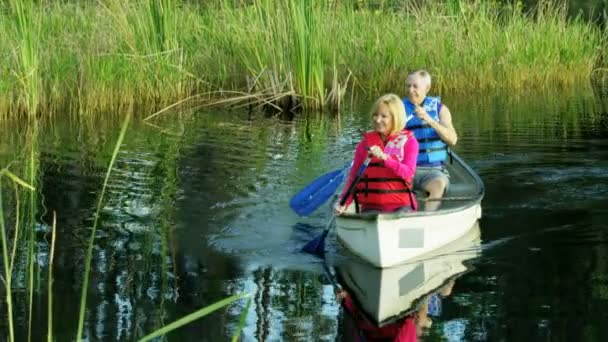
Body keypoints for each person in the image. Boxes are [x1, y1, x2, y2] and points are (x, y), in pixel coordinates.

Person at [334, 94, 419, 215]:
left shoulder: (409, 142)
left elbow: (408, 172)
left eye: (384, 116)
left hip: (400, 206)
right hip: (371, 206)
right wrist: (344, 202)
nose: (377, 120)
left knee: (402, 215)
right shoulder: (364, 145)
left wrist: (385, 158)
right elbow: (353, 178)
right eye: (375, 115)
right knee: (371, 215)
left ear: (395, 118)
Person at [403, 70, 458, 210]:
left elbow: (452, 140)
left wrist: (429, 119)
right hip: (405, 169)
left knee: (438, 185)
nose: (410, 90)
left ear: (427, 88)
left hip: (433, 169)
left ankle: (428, 217)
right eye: (408, 86)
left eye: (415, 86)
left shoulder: (440, 109)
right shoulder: (398, 109)